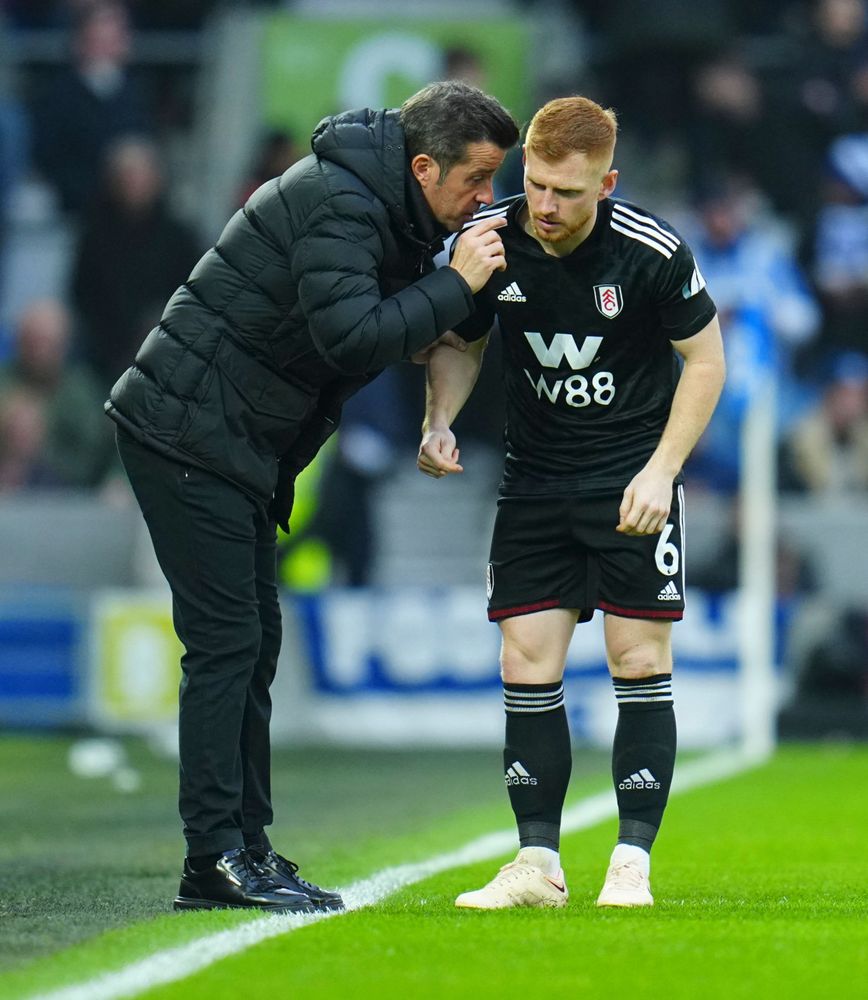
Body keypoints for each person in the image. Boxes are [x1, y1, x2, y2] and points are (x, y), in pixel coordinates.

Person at [107, 81, 519, 913]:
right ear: (425, 165)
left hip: (229, 439)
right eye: (476, 180)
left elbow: (382, 327)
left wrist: (446, 323)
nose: (486, 199)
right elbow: (352, 333)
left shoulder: (382, 204)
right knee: (228, 646)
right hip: (187, 430)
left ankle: (246, 849)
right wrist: (458, 282)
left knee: (251, 644)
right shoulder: (342, 201)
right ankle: (214, 858)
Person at [417, 96, 725, 909]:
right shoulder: (491, 242)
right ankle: (537, 865)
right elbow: (460, 338)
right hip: (535, 482)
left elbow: (705, 361)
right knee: (525, 665)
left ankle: (631, 863)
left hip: (631, 483)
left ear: (608, 184)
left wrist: (662, 470)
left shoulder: (652, 252)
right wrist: (439, 418)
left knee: (638, 663)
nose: (546, 206)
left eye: (568, 192)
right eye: (537, 184)